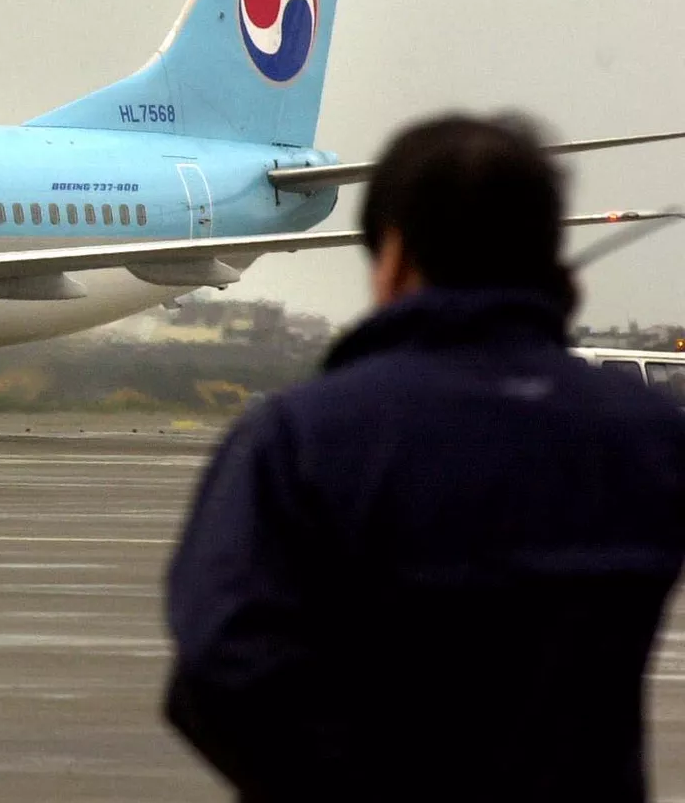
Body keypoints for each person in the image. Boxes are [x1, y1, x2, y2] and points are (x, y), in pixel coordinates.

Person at [163, 113, 685, 802]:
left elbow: (217, 672)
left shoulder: (300, 437)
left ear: (397, 256)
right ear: (553, 262)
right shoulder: (649, 434)